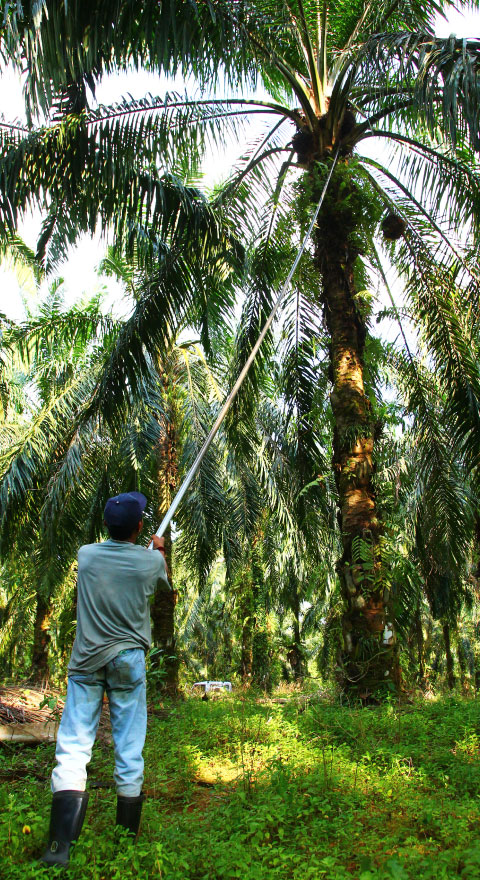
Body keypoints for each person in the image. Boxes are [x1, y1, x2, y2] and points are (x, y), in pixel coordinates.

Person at [40, 491, 170, 867]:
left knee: (73, 747)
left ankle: (59, 849)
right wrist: (159, 551)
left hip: (86, 661)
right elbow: (160, 583)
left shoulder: (87, 555)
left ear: (106, 525)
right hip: (128, 660)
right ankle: (124, 845)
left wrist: (145, 553)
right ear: (140, 526)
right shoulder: (150, 562)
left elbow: (117, 563)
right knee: (128, 747)